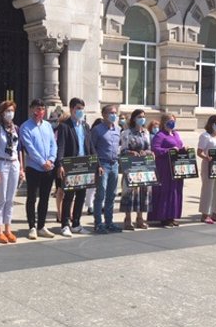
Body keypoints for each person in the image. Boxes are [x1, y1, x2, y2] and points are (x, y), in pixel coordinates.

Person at [20, 98, 58, 239]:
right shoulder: (25, 127)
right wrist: (42, 162)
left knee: (45, 198)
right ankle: (32, 226)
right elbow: (30, 148)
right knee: (31, 198)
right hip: (34, 168)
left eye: (42, 109)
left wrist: (51, 159)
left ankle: (41, 226)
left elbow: (53, 144)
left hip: (49, 168)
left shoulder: (48, 126)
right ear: (31, 109)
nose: (39, 112)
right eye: (36, 108)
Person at [56, 98, 95, 237]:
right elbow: (61, 146)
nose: (81, 111)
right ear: (72, 109)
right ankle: (65, 224)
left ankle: (76, 223)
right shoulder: (64, 126)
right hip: (71, 165)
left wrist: (97, 164)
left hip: (84, 164)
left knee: (81, 195)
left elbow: (90, 146)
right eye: (78, 108)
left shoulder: (85, 126)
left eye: (82, 108)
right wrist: (60, 164)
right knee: (69, 196)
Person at [0, 100, 25, 244]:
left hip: (14, 163)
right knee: (1, 199)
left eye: (12, 110)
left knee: (10, 199)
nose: (10, 113)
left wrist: (22, 168)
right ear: (2, 113)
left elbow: (20, 149)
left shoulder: (16, 128)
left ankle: (8, 229)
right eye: (7, 111)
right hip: (2, 163)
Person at [90, 104, 122, 233]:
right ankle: (98, 223)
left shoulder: (118, 129)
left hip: (114, 164)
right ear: (103, 115)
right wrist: (97, 165)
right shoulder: (97, 130)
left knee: (111, 194)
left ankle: (109, 222)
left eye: (115, 113)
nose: (113, 115)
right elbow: (92, 149)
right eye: (110, 112)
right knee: (100, 194)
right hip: (102, 164)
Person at [148, 113, 184, 227]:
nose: (171, 122)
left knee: (175, 191)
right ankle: (163, 217)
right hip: (164, 167)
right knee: (165, 191)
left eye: (173, 120)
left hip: (176, 166)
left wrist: (184, 149)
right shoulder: (160, 135)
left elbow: (179, 146)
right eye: (169, 120)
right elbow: (156, 149)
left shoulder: (176, 134)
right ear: (164, 122)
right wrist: (169, 150)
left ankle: (172, 216)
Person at [119, 109, 151, 230]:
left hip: (143, 165)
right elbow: (123, 150)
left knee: (143, 191)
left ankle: (140, 218)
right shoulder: (127, 133)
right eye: (139, 117)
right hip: (131, 165)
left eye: (143, 116)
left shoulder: (146, 133)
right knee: (130, 191)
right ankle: (127, 219)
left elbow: (149, 148)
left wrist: (146, 152)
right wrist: (131, 152)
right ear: (134, 119)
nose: (142, 119)